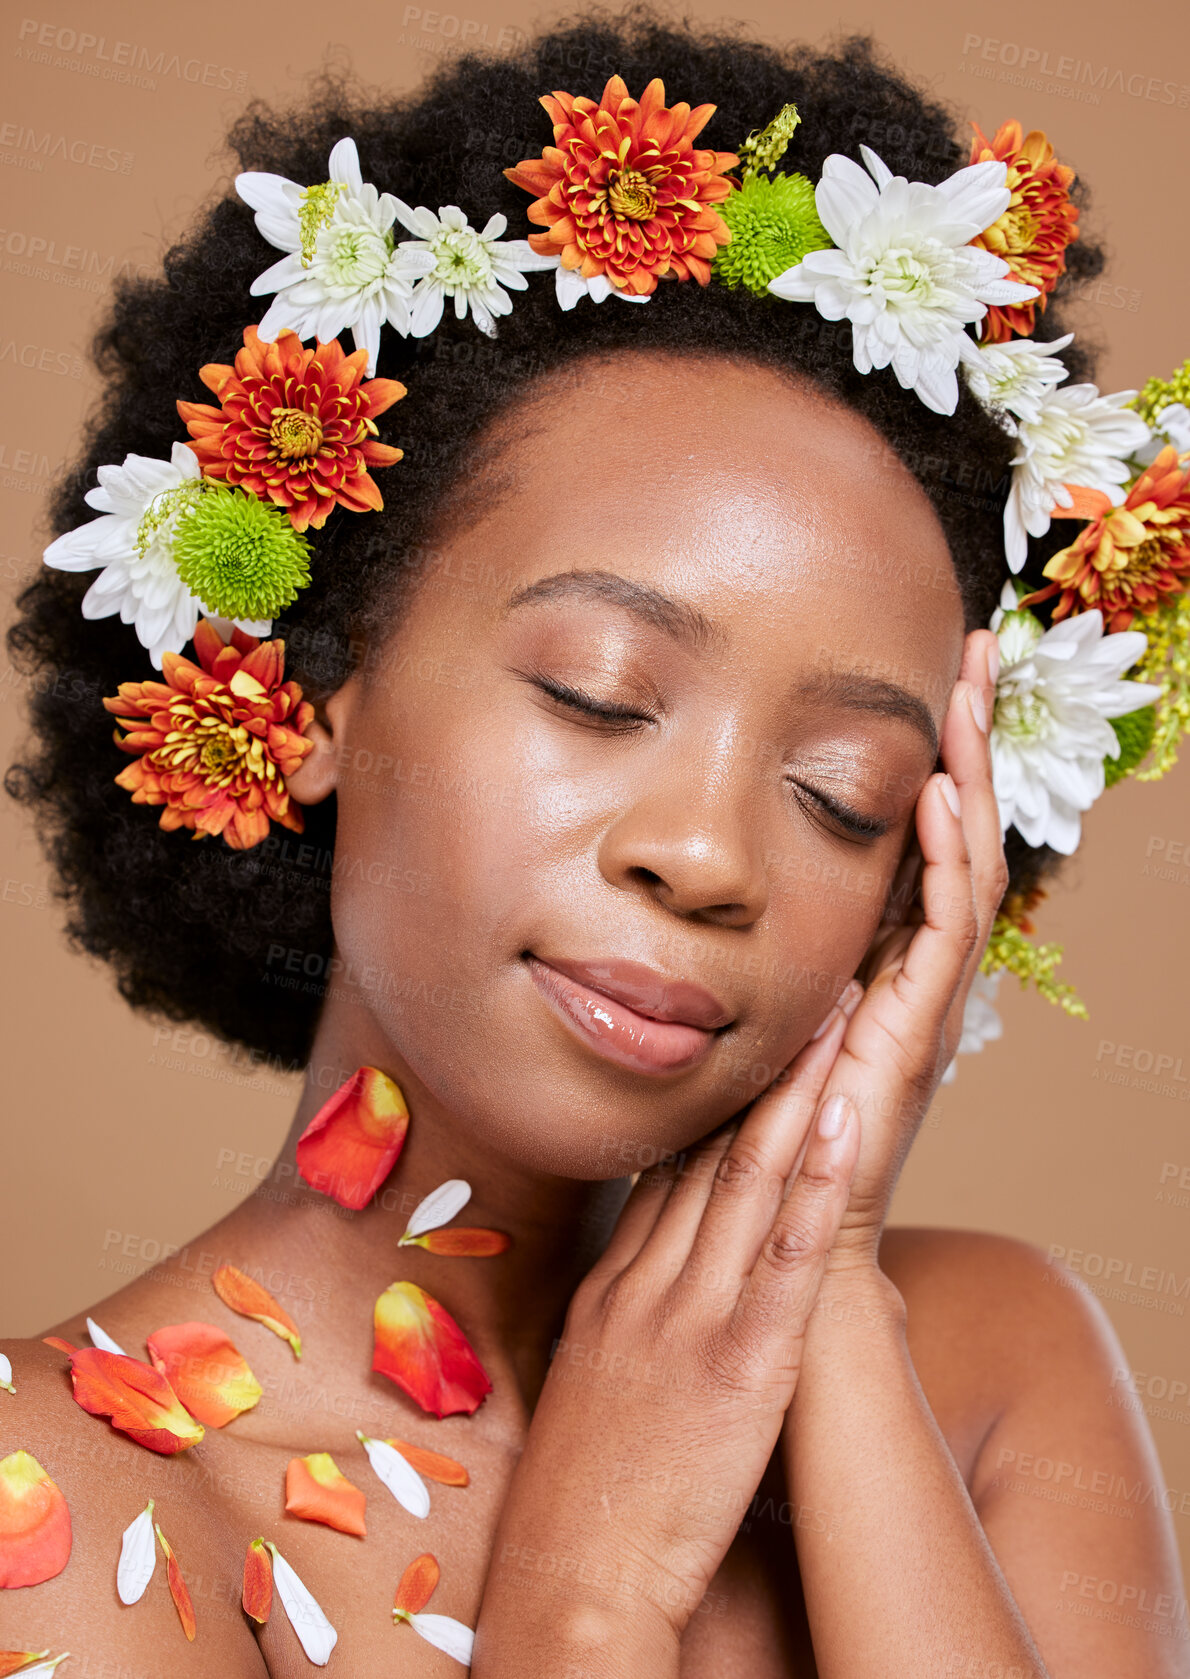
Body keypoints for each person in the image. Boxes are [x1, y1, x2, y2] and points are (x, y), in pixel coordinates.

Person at [3, 6, 1188, 1673]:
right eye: (596, 693)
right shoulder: (63, 1498)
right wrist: (587, 1592)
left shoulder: (987, 1367)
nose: (704, 857)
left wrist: (828, 1286)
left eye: (843, 793)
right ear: (314, 685)